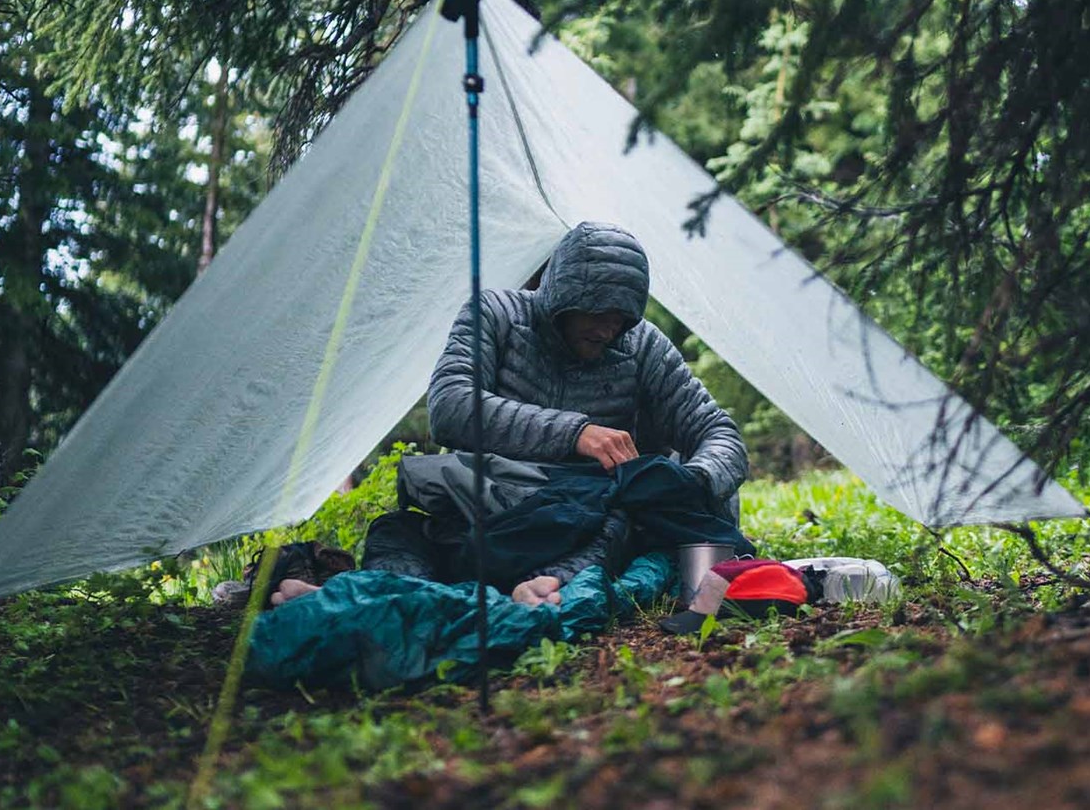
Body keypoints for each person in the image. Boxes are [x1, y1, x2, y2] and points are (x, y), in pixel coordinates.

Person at [274, 222, 748, 607]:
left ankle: (524, 594)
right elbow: (450, 406)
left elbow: (719, 432)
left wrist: (692, 482)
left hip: (585, 516)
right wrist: (576, 433)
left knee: (613, 530)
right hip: (487, 507)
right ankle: (363, 597)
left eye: (622, 317)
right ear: (564, 290)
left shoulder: (641, 346)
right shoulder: (496, 315)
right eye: (599, 309)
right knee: (399, 534)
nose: (609, 328)